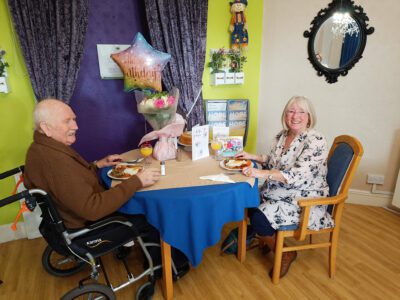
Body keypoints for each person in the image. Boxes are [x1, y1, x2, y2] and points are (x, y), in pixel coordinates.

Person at [24, 98, 161, 232]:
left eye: (74, 119)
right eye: (67, 121)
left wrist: (97, 165)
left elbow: (72, 179)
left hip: (73, 217)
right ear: (46, 128)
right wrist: (137, 181)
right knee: (152, 216)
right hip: (87, 225)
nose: (75, 126)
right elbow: (93, 209)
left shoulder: (40, 148)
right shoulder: (53, 160)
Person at [235, 96, 334, 278]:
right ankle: (269, 239)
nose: (295, 116)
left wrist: (262, 174)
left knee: (258, 218)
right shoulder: (282, 135)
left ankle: (286, 253)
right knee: (246, 200)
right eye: (291, 111)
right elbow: (273, 160)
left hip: (305, 198)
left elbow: (296, 175)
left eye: (301, 112)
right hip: (282, 191)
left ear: (309, 117)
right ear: (285, 115)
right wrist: (252, 156)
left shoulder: (316, 141)